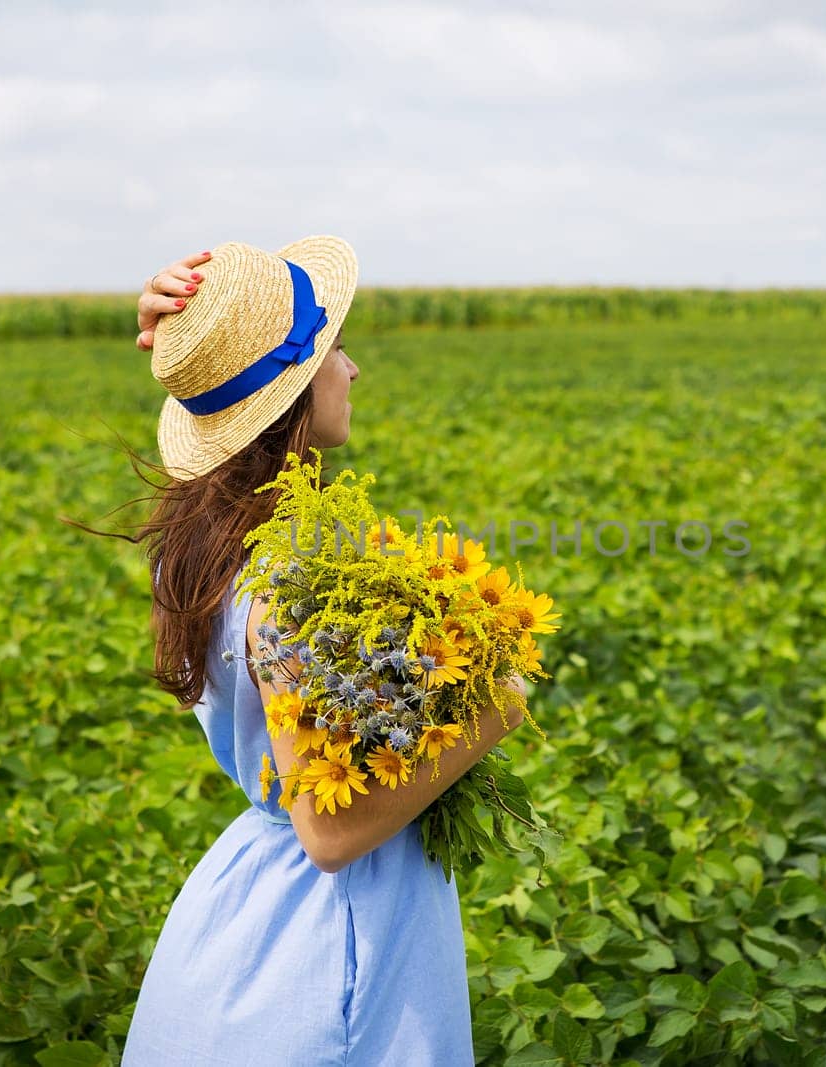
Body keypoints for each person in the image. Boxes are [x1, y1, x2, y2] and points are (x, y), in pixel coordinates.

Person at [112, 238, 526, 1064]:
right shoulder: (291, 578)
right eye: (335, 346)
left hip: (247, 913)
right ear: (291, 389)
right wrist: (494, 701)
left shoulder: (205, 539)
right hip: (330, 937)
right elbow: (331, 833)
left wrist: (194, 344)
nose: (353, 367)